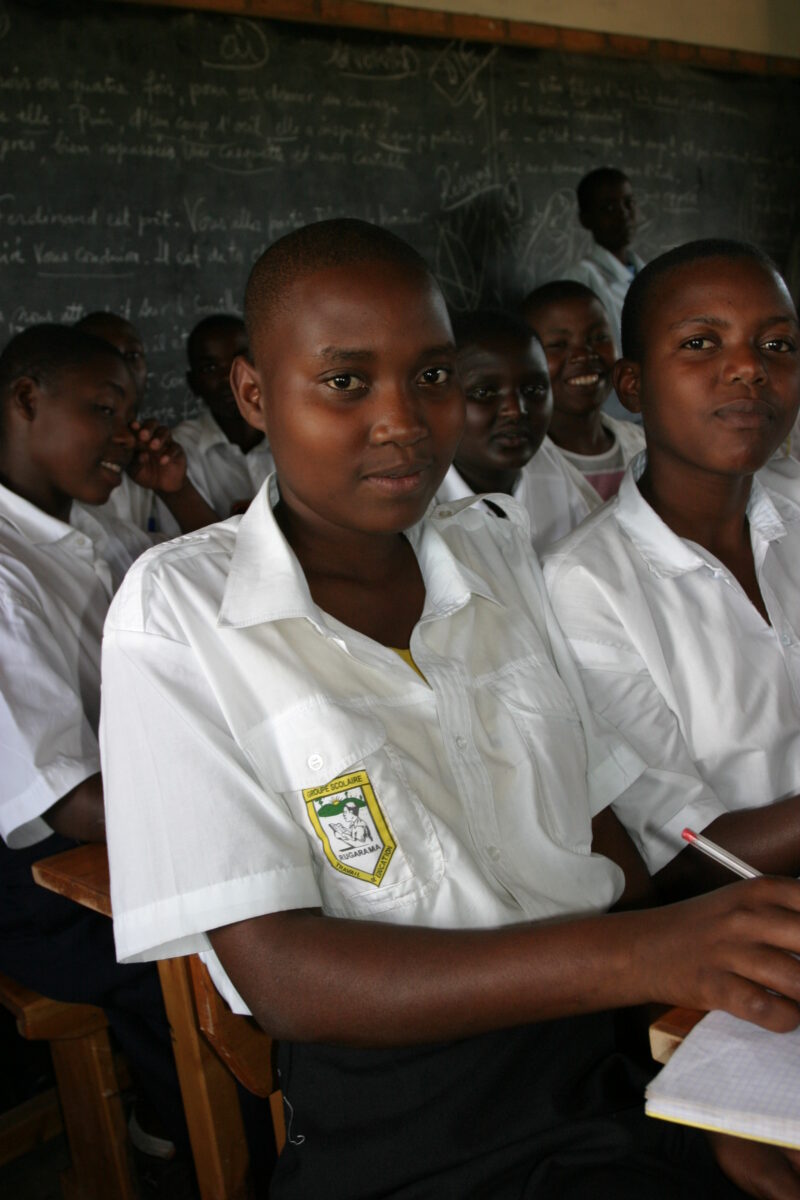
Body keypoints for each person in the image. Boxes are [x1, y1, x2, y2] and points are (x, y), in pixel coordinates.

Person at [101, 219, 800, 1200]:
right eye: (346, 382)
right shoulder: (178, 614)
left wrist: (701, 1092)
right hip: (416, 1114)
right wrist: (646, 957)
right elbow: (285, 978)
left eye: (429, 377)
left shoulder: (494, 548)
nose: (401, 420)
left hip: (608, 1055)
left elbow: (606, 851)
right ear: (254, 396)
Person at [0, 324, 203, 1165]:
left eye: (130, 412)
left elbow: (209, 610)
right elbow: (68, 802)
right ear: (23, 401)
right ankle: (181, 1141)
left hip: (114, 823)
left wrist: (178, 491)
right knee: (199, 964)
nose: (125, 433)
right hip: (40, 885)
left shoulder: (90, 531)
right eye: (103, 410)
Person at [543, 240, 800, 901]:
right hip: (751, 926)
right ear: (632, 384)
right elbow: (690, 853)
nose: (749, 368)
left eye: (777, 345)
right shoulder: (586, 587)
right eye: (700, 344)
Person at [436, 309, 600, 551]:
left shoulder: (556, 474)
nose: (515, 410)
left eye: (533, 390)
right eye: (484, 393)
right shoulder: (416, 512)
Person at [522, 281, 645, 500]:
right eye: (559, 344)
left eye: (599, 338)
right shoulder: (519, 467)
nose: (584, 354)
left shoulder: (645, 445)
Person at [76, 310, 180, 535]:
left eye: (132, 356)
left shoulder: (152, 454)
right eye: (105, 355)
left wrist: (177, 493)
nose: (122, 368)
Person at [173, 314, 274, 518]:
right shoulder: (181, 449)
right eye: (210, 368)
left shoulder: (296, 432)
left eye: (242, 361)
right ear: (194, 384)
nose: (230, 379)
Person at [561, 167, 644, 350]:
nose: (623, 214)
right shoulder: (580, 278)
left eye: (628, 203)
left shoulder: (650, 273)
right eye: (608, 208)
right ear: (586, 219)